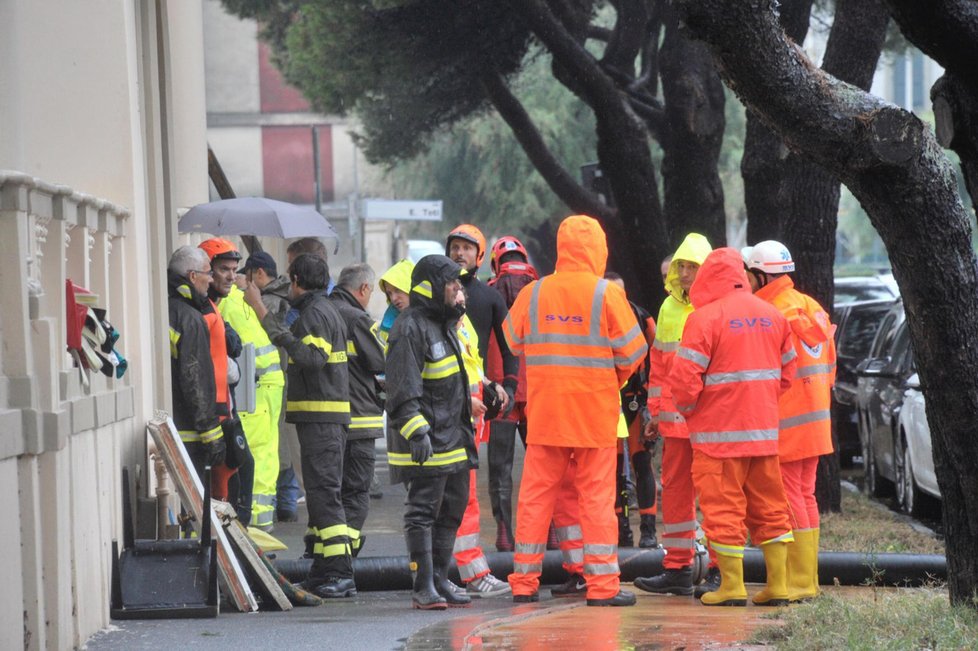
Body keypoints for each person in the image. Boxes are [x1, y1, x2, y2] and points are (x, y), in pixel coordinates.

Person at [504, 215, 647, 607]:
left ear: (561, 248)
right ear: (599, 250)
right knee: (597, 502)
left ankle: (523, 583)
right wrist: (609, 378)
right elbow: (634, 354)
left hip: (547, 415)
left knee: (534, 500)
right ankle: (602, 587)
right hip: (594, 416)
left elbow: (512, 341)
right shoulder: (606, 294)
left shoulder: (534, 293)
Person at [670, 247, 797, 607]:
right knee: (771, 509)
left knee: (723, 511)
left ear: (709, 277)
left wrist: (691, 410)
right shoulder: (773, 315)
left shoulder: (704, 319)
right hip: (763, 436)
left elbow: (684, 382)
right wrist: (763, 406)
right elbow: (788, 372)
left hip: (718, 440)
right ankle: (779, 586)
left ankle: (732, 586)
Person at [245, 253, 356, 599]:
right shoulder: (322, 311)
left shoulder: (316, 314)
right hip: (320, 418)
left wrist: (262, 312)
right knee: (322, 498)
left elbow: (311, 358)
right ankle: (324, 569)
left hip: (321, 419)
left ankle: (340, 573)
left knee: (324, 495)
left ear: (296, 281)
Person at [743, 240, 835, 603]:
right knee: (805, 495)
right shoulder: (811, 307)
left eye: (749, 275)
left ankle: (798, 582)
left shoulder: (769, 313)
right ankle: (807, 579)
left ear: (762, 274)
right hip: (816, 418)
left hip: (786, 420)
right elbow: (830, 366)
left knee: (788, 498)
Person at [385, 254, 478, 610]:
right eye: (452, 284)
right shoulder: (410, 328)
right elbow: (402, 388)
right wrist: (416, 432)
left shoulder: (445, 323)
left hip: (453, 436)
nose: (458, 289)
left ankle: (440, 578)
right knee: (422, 510)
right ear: (433, 288)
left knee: (452, 508)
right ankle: (423, 585)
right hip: (429, 438)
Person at [634, 233, 717, 597]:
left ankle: (719, 568)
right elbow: (660, 367)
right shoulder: (668, 309)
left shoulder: (715, 309)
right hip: (674, 423)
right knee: (679, 498)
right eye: (682, 266)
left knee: (716, 496)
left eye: (693, 267)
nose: (685, 273)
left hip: (708, 421)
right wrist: (655, 413)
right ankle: (678, 568)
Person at [445, 224, 517, 597]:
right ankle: (450, 572)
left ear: (480, 256)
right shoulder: (434, 301)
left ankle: (452, 572)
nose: (459, 254)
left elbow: (509, 347)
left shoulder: (487, 300)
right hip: (450, 406)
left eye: (466, 249)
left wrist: (505, 386)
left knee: (462, 488)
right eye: (454, 247)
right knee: (452, 491)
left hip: (473, 404)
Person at [201, 239, 286, 532]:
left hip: (254, 390)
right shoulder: (238, 298)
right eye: (223, 269)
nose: (230, 275)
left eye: (233, 269)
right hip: (262, 387)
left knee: (251, 458)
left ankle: (254, 527)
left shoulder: (225, 304)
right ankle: (257, 525)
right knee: (259, 457)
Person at [328, 263, 386, 557]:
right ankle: (345, 556)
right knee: (356, 490)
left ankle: (325, 554)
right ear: (363, 289)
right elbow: (379, 360)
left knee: (330, 490)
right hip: (360, 417)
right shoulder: (358, 319)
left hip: (326, 421)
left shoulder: (321, 312)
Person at [485, 236, 538, 552]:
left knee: (500, 469)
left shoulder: (486, 292)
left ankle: (505, 533)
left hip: (501, 391)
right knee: (545, 467)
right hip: (538, 391)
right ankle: (551, 533)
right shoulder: (543, 293)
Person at [242, 249, 299, 523]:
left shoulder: (270, 302)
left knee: (277, 442)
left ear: (260, 274)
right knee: (282, 440)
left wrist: (253, 304)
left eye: (248, 275)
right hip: (281, 379)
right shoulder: (289, 297)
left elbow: (273, 334)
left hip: (273, 382)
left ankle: (286, 499)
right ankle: (287, 499)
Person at [604, 271, 658, 549]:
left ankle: (648, 531)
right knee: (612, 468)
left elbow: (658, 353)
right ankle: (621, 529)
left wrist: (653, 397)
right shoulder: (595, 318)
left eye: (620, 293)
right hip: (607, 400)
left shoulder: (641, 316)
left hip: (635, 397)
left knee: (641, 462)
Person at [167, 245, 224, 482]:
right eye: (207, 273)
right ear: (192, 276)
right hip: (190, 433)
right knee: (194, 504)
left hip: (172, 426)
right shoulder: (190, 319)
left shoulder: (164, 307)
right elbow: (195, 378)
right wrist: (212, 435)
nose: (211, 280)